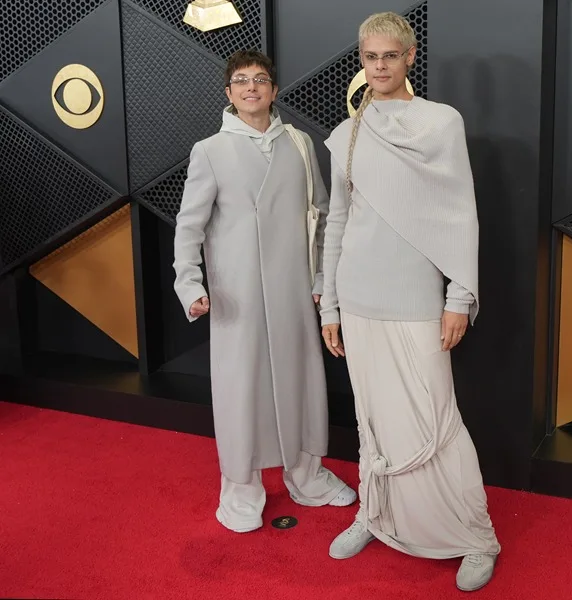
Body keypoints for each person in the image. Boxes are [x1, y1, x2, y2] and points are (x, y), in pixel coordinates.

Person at [319, 12, 500, 592]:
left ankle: (476, 536)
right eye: (370, 57)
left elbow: (460, 214)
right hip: (359, 293)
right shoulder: (346, 135)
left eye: (390, 56)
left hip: (419, 296)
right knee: (371, 418)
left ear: (410, 57)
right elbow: (337, 223)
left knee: (436, 417)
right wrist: (329, 306)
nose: (379, 67)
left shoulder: (441, 123)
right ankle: (376, 514)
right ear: (362, 60)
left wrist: (460, 295)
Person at [172, 49, 356, 534]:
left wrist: (322, 281)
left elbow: (320, 214)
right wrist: (189, 283)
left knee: (300, 383)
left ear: (274, 90)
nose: (251, 87)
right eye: (240, 81)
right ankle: (240, 489)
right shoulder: (209, 150)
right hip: (238, 296)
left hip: (295, 290)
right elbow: (188, 227)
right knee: (240, 390)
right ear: (229, 94)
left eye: (260, 79)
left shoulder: (298, 143)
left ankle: (307, 476)